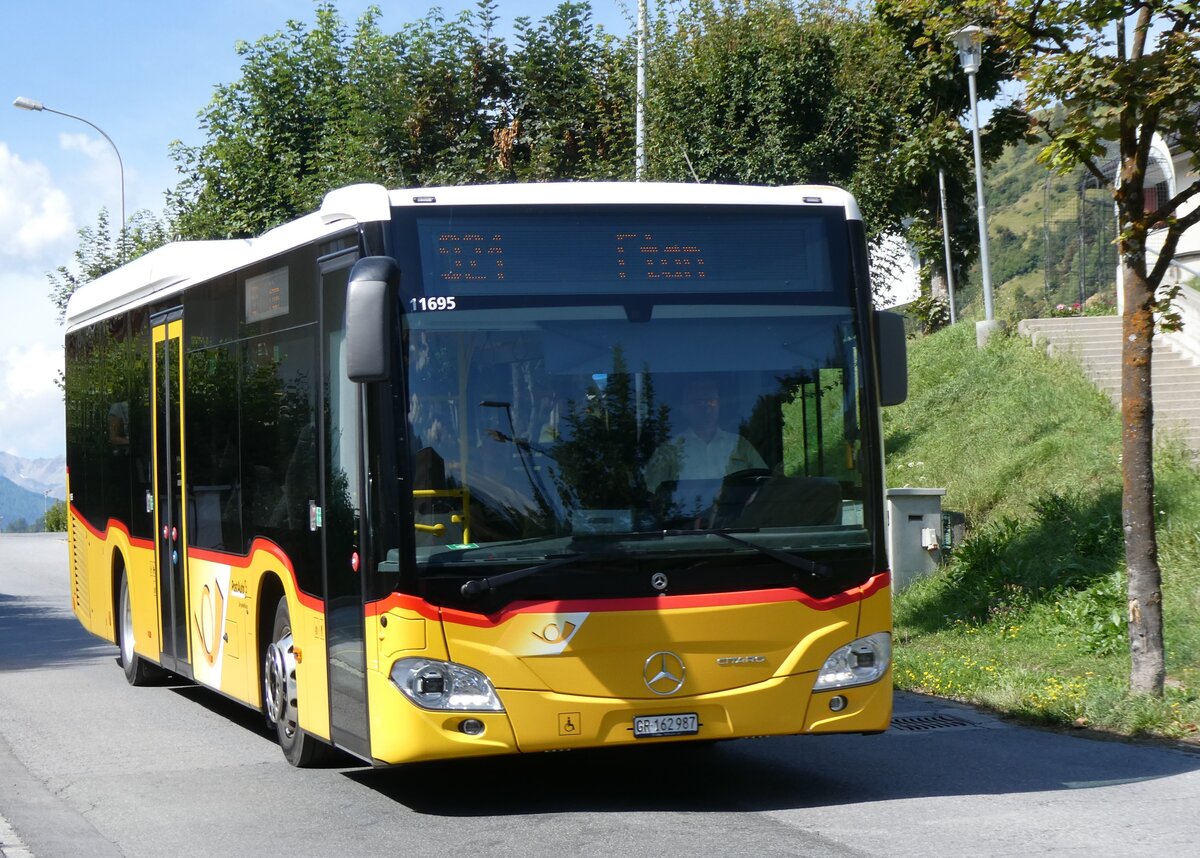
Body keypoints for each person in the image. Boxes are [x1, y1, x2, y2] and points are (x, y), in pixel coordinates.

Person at [644, 379, 766, 492]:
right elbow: (650, 492)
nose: (705, 406)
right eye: (697, 401)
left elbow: (765, 484)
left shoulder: (740, 444)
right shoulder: (670, 450)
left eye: (711, 400)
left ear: (719, 406)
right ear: (684, 408)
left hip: (739, 514)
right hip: (685, 514)